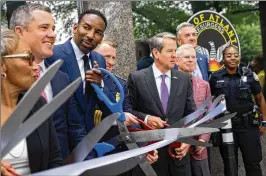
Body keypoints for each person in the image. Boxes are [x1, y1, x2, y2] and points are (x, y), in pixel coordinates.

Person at [9, 3, 85, 159]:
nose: (52, 35)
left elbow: (75, 130)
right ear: (19, 32)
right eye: (44, 28)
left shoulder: (61, 78)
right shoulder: (6, 79)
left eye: (53, 29)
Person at [128, 32, 196, 176]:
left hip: (179, 156)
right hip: (152, 156)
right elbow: (129, 112)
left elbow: (191, 114)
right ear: (156, 53)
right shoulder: (137, 79)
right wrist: (146, 118)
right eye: (170, 51)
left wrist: (188, 140)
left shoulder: (184, 79)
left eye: (175, 51)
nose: (174, 56)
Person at [1, 29, 62, 175]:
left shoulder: (38, 104)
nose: (35, 66)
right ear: (2, 64)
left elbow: (54, 160)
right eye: (28, 58)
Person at [209, 45, 266, 176]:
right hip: (226, 128)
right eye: (229, 55)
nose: (233, 58)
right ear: (223, 58)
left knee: (253, 164)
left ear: (239, 57)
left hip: (248, 126)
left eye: (235, 55)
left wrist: (264, 122)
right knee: (230, 165)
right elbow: (210, 103)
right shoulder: (215, 78)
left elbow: (260, 98)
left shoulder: (249, 75)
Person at [176, 44, 211, 176]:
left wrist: (203, 139)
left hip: (199, 147)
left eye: (193, 57)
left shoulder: (204, 85)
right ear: (177, 60)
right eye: (186, 57)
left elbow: (209, 114)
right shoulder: (169, 83)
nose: (191, 60)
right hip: (177, 146)